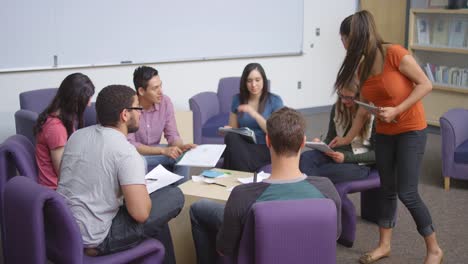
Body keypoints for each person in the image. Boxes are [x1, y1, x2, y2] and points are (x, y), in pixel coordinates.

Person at [330, 11, 443, 264]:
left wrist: (397, 110)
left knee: (408, 192)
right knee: (387, 190)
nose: (344, 45)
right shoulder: (362, 66)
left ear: (356, 36)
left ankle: (434, 249)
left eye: (344, 39)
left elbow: (426, 84)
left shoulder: (395, 54)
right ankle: (384, 245)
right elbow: (364, 107)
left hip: (411, 130)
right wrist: (346, 138)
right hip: (385, 134)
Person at [190, 107, 341, 264]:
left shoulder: (242, 195)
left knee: (199, 208)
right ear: (303, 142)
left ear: (268, 141)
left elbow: (224, 249)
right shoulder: (327, 188)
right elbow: (333, 235)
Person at [57, 85, 184, 261]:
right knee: (174, 195)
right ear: (125, 115)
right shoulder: (127, 153)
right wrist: (143, 193)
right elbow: (140, 214)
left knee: (156, 219)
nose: (141, 113)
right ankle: (98, 250)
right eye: (138, 108)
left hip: (65, 228)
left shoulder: (77, 136)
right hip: (96, 239)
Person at [299, 15, 375, 184]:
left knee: (320, 173)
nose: (344, 101)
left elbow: (376, 154)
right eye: (341, 96)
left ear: (359, 95)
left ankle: (331, 202)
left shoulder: (370, 113)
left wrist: (345, 157)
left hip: (357, 163)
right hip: (336, 155)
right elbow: (331, 138)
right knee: (305, 160)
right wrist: (322, 144)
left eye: (349, 98)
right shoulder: (337, 108)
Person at [128, 66, 195, 179]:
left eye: (160, 86)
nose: (161, 92)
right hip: (135, 154)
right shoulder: (130, 106)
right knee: (140, 162)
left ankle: (179, 193)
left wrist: (180, 147)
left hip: (156, 150)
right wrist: (162, 150)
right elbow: (131, 145)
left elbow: (172, 135)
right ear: (141, 91)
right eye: (155, 88)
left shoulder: (165, 102)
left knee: (182, 156)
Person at [34, 73, 95, 190]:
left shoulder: (61, 118)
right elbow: (63, 173)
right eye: (87, 99)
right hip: (58, 190)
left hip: (63, 185)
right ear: (74, 100)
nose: (89, 104)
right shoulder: (56, 128)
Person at [222, 62, 284, 172]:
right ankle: (242, 176)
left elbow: (276, 132)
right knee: (231, 137)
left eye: (257, 80)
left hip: (264, 147)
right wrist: (228, 130)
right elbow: (234, 128)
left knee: (232, 154)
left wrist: (254, 114)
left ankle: (235, 176)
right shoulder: (237, 99)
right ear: (244, 82)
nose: (253, 85)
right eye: (249, 81)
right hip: (244, 145)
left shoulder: (275, 101)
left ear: (263, 80)